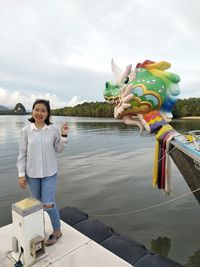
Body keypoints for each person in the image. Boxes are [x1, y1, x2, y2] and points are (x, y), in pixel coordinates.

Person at [17, 99, 68, 246]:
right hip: (31, 174)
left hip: (49, 173)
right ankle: (38, 229)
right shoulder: (26, 130)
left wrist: (64, 136)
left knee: (48, 203)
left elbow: (58, 149)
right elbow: (22, 154)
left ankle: (57, 231)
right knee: (37, 204)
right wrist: (21, 174)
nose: (39, 113)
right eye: (37, 109)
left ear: (47, 113)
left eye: (43, 110)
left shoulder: (52, 130)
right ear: (32, 111)